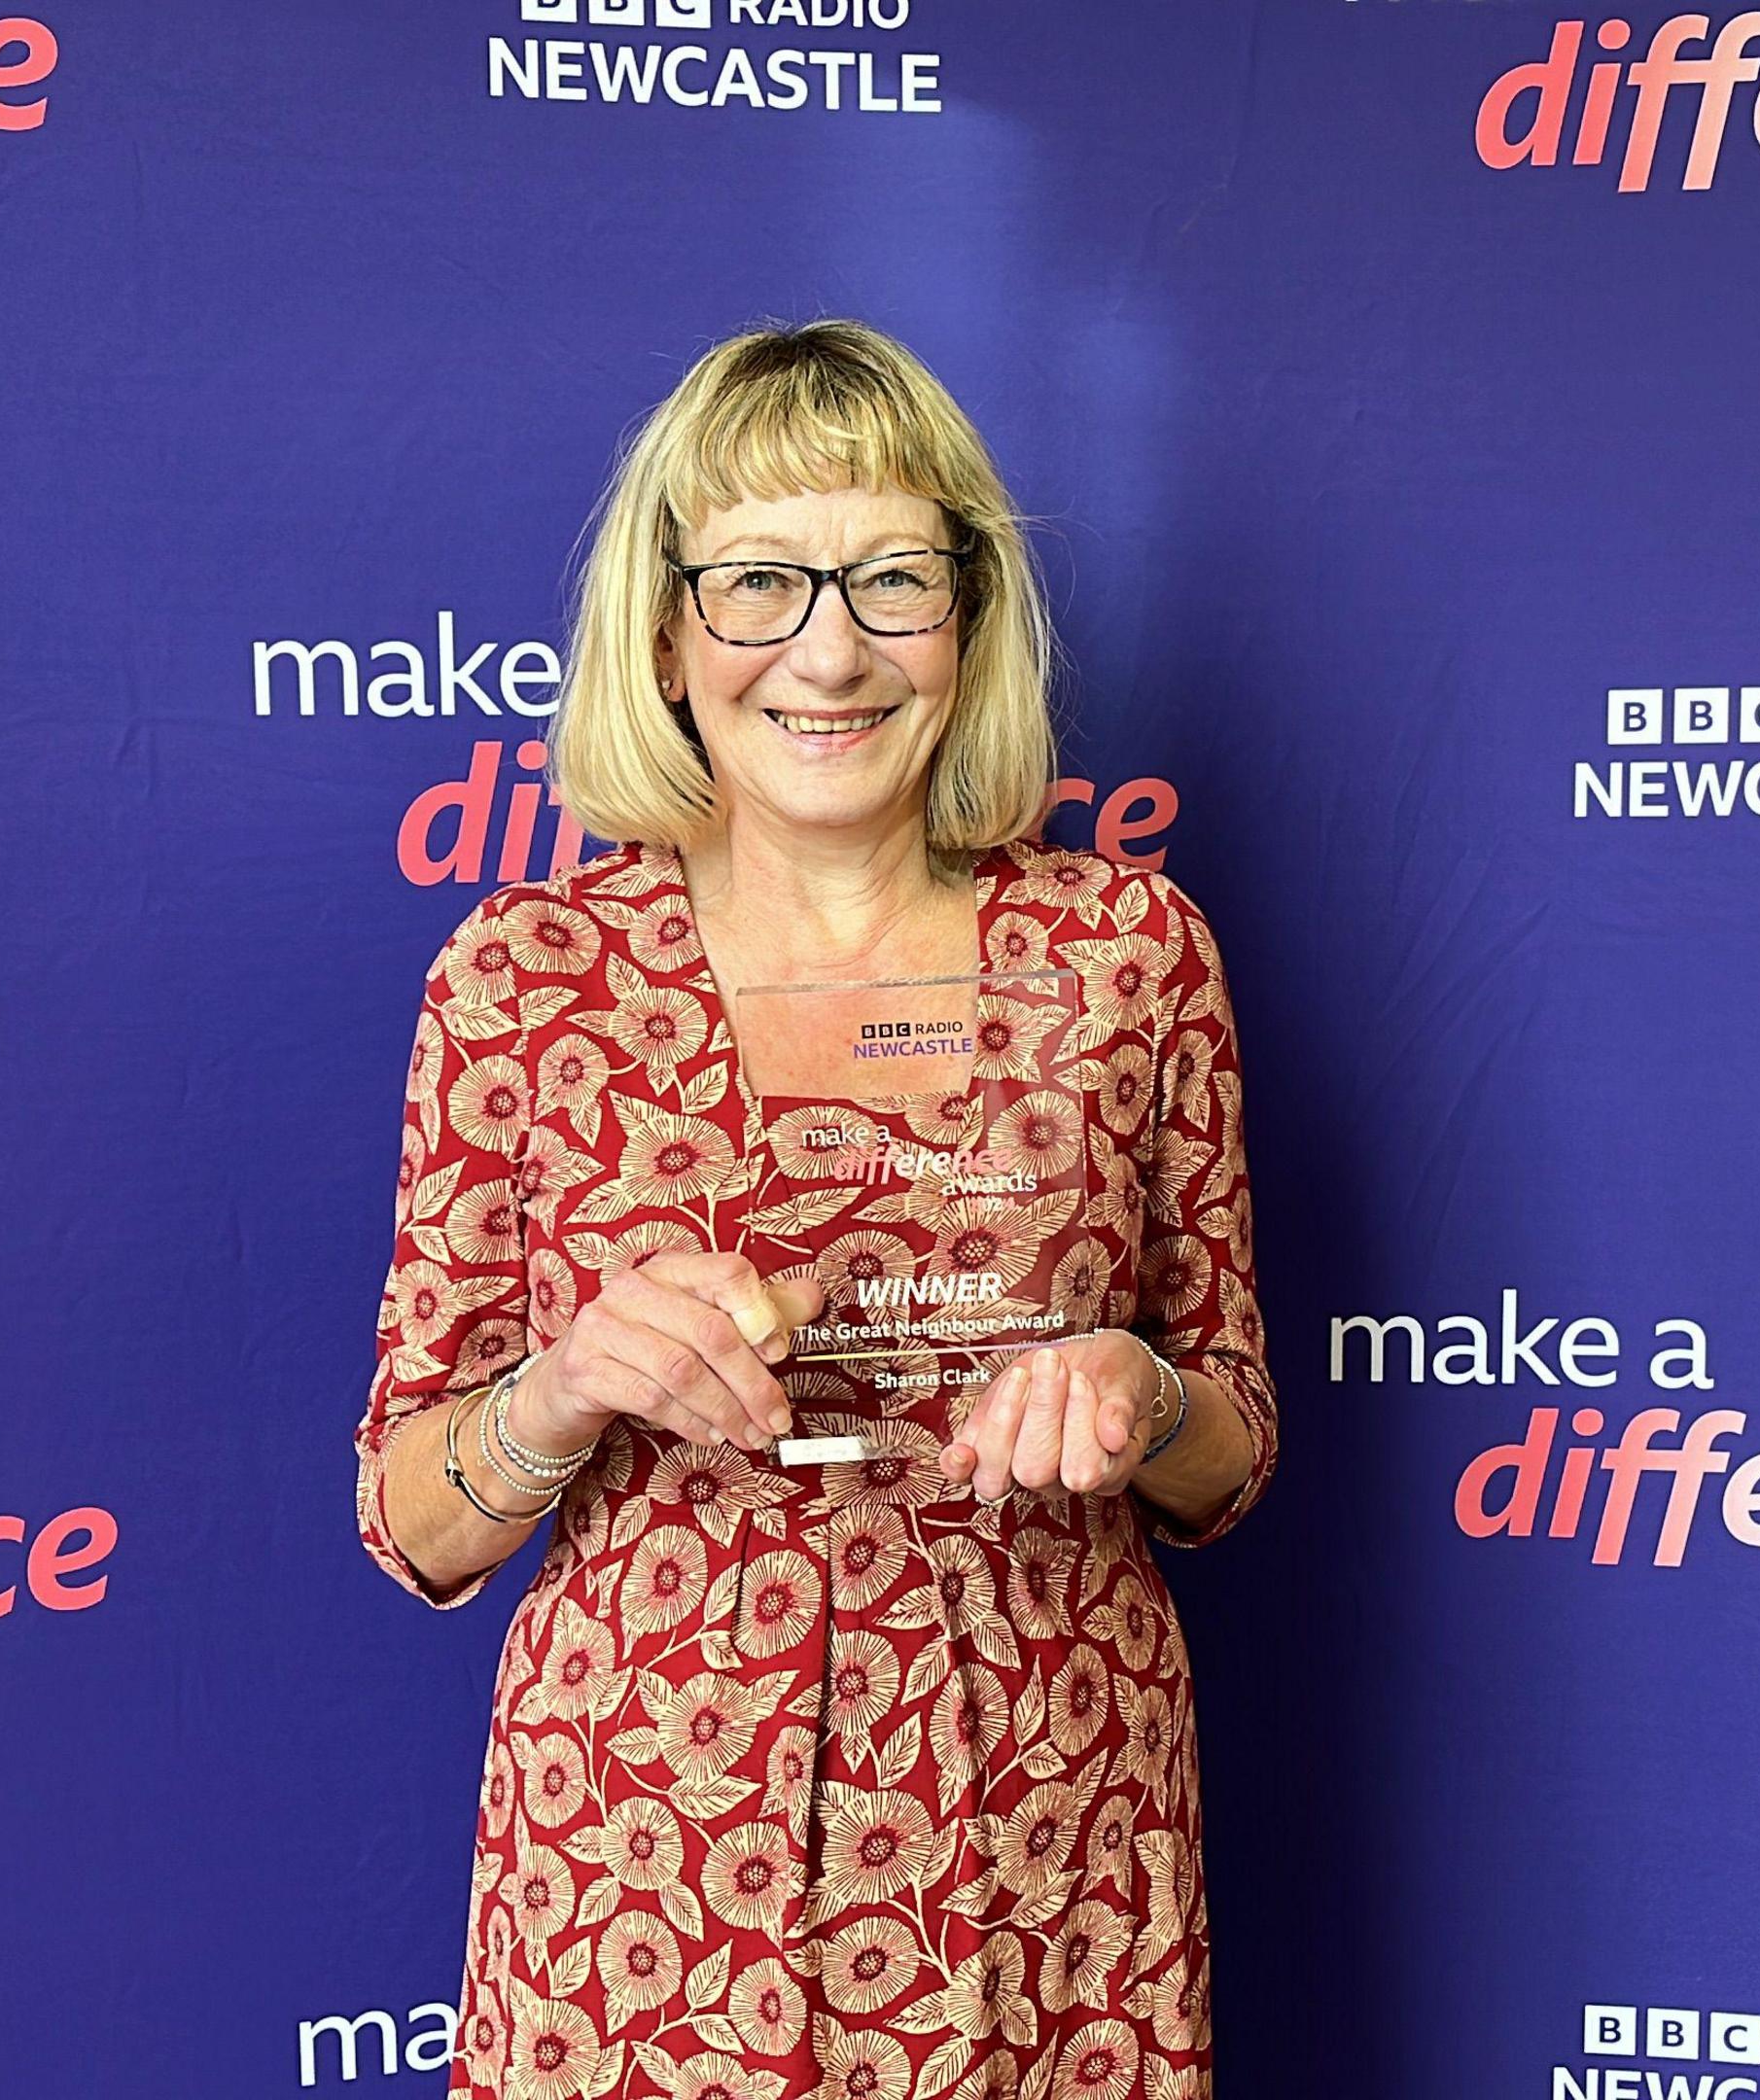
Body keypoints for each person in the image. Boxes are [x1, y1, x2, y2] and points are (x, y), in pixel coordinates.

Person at [355, 318, 1276, 2100]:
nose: (829, 653)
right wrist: (562, 1390)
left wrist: (1138, 1396)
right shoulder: (527, 976)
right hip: (648, 1866)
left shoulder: (1130, 958)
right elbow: (416, 1524)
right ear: (668, 631)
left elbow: (1230, 1458)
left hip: (1043, 1843)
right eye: (761, 582)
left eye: (890, 583)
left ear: (972, 623)